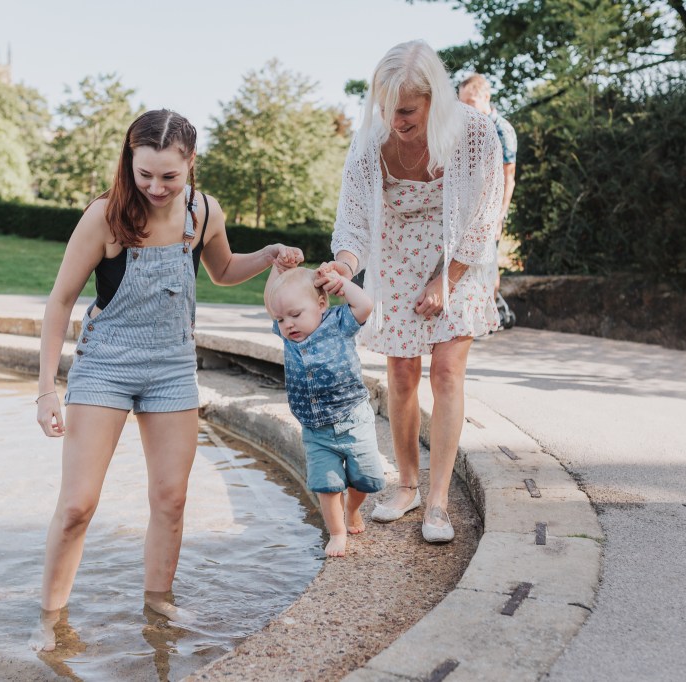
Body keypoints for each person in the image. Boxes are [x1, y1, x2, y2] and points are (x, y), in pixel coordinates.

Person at [31, 109, 303, 651]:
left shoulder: (204, 212)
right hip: (106, 365)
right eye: (145, 174)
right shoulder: (105, 216)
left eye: (169, 176)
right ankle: (49, 619)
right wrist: (45, 389)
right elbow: (60, 300)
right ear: (129, 162)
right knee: (78, 505)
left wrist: (269, 255)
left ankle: (158, 606)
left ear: (191, 162)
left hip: (172, 367)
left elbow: (222, 270)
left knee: (171, 498)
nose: (155, 187)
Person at [321, 40, 503, 543]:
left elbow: (485, 215)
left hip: (459, 253)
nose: (394, 121)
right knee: (402, 372)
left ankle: (439, 501)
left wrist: (448, 279)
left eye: (406, 111)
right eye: (386, 109)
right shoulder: (370, 143)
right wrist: (343, 267)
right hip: (397, 251)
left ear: (434, 100)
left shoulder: (475, 132)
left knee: (446, 369)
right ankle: (407, 485)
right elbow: (354, 222)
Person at [264, 265, 385, 558]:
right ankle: (337, 532)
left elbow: (365, 305)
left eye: (295, 314)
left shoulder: (338, 322)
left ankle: (352, 509)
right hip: (316, 430)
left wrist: (341, 282)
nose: (288, 324)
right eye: (281, 319)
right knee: (327, 486)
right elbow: (271, 303)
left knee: (365, 480)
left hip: (353, 420)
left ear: (321, 304)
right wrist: (276, 271)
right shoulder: (288, 336)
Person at [457, 73, 517, 301]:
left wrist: (499, 216)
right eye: (461, 104)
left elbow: (508, 177)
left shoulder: (502, 130)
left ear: (486, 98)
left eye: (470, 103)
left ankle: (491, 311)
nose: (465, 109)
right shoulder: (465, 129)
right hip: (467, 208)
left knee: (489, 261)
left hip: (491, 209)